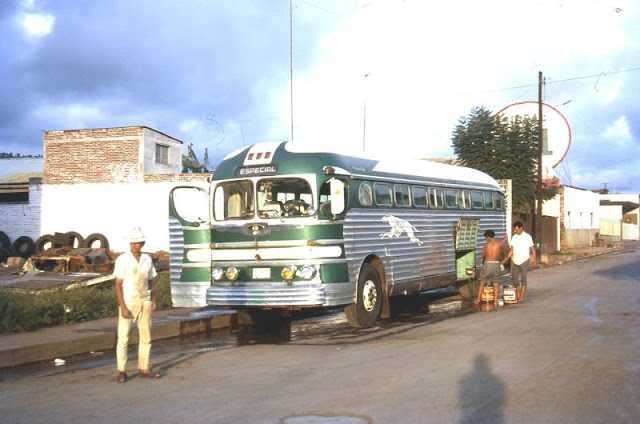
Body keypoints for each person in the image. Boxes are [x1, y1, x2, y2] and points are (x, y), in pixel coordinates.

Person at [114, 227, 160, 383]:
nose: (134, 246)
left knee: (146, 337)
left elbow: (151, 281)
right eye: (132, 243)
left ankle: (143, 367)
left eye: (137, 243)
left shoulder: (147, 259)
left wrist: (154, 300)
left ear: (142, 243)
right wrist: (123, 306)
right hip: (129, 301)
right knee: (123, 338)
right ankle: (122, 370)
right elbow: (118, 284)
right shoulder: (122, 260)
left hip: (144, 301)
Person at [501, 221, 537, 302]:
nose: (515, 231)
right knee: (515, 279)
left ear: (521, 228)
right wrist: (506, 258)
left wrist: (534, 260)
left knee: (523, 278)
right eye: (514, 230)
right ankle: (517, 295)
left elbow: (532, 249)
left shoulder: (527, 237)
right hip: (514, 260)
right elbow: (512, 250)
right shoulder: (514, 237)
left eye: (516, 229)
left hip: (524, 260)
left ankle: (521, 296)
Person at [475, 230, 503, 307]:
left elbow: (483, 255)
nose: (486, 239)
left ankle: (478, 300)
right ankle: (495, 301)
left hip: (487, 264)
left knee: (482, 282)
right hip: (496, 264)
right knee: (496, 283)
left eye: (486, 237)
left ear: (488, 236)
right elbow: (505, 251)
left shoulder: (486, 245)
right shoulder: (499, 243)